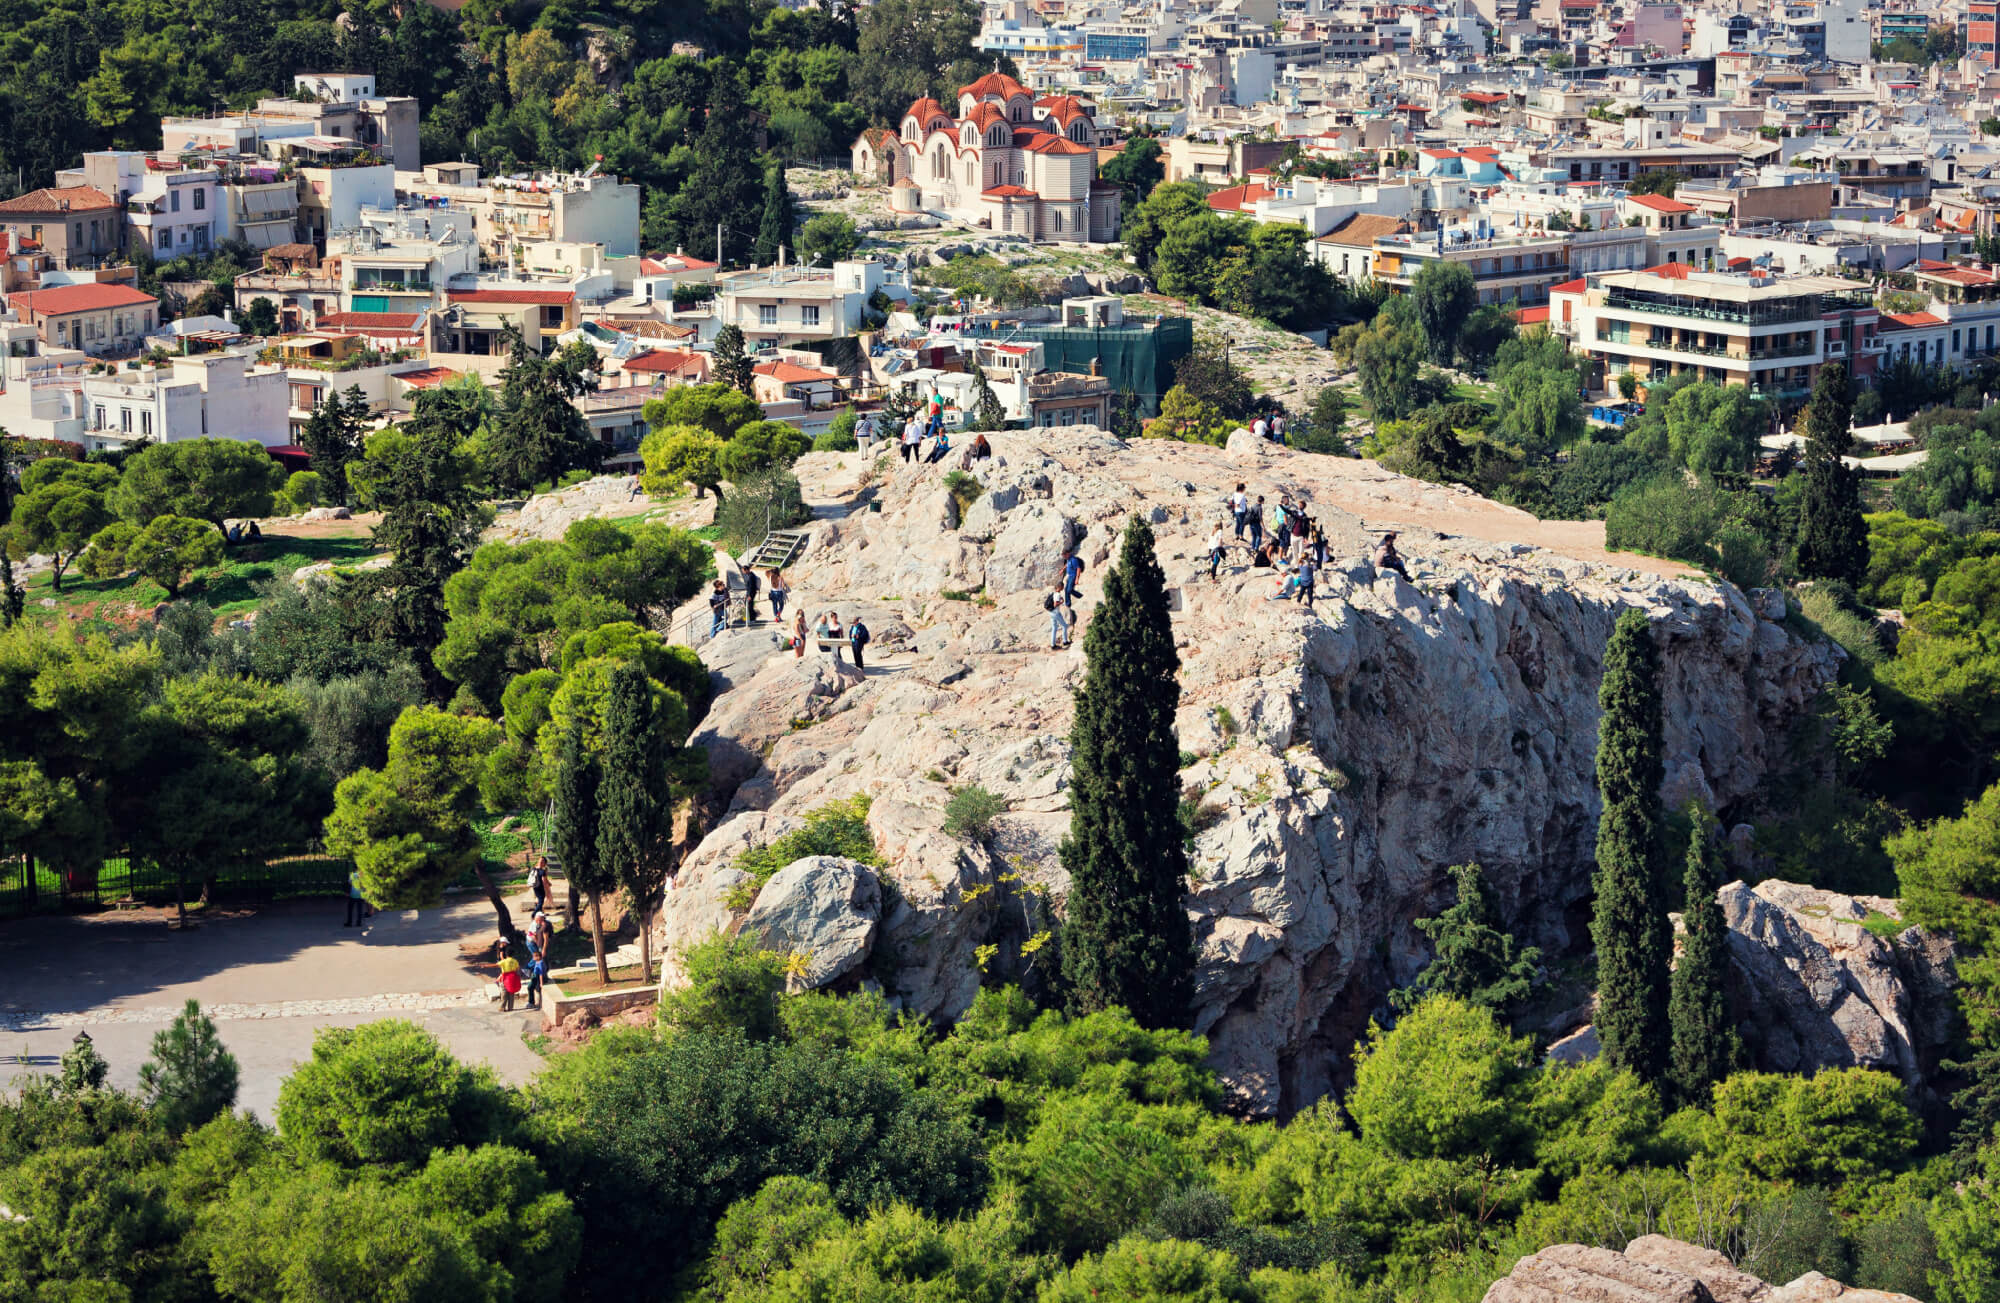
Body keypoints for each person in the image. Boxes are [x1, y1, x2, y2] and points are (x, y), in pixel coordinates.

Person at [496, 942, 522, 1013]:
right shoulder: (515, 961)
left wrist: (485, 966)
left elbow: (496, 965)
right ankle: (510, 1007)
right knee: (511, 993)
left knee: (504, 993)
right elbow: (518, 969)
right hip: (513, 979)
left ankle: (502, 1007)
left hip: (505, 979)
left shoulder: (504, 961)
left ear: (506, 954)